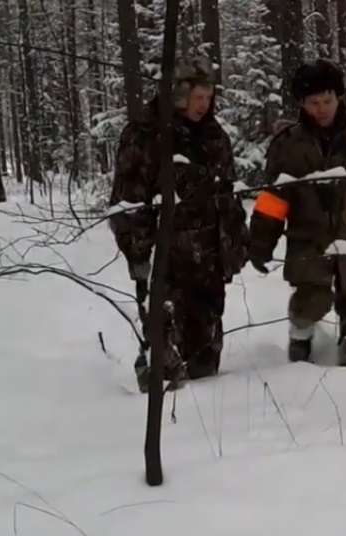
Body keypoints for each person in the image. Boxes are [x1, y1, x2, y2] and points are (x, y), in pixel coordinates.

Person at [248, 58, 346, 365]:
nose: (322, 109)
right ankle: (301, 335)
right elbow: (273, 199)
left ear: (339, 99)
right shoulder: (289, 145)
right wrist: (260, 242)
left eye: (327, 100)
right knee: (309, 303)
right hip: (310, 242)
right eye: (314, 102)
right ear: (302, 103)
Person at [108, 55, 249, 390]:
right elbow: (127, 202)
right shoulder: (145, 135)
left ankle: (203, 428)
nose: (204, 105)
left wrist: (235, 244)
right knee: (165, 354)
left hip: (209, 261)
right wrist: (140, 254)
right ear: (177, 95)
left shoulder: (214, 136)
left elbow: (228, 195)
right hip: (166, 260)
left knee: (205, 360)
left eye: (208, 97)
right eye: (197, 97)